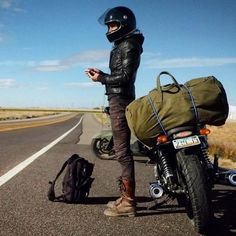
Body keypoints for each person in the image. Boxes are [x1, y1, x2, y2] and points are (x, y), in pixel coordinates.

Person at [85, 6, 144, 217]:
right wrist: (102, 75)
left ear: (124, 24)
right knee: (121, 151)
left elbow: (125, 78)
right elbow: (119, 75)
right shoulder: (123, 45)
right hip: (117, 98)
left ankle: (128, 202)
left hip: (120, 100)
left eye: (113, 24)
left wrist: (101, 79)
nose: (109, 29)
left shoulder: (129, 45)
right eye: (109, 25)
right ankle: (126, 197)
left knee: (121, 152)